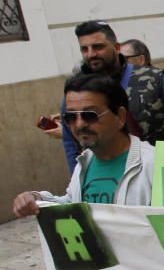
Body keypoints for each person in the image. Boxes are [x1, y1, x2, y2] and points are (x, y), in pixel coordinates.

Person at [13, 73, 154, 216]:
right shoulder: (85, 162)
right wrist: (36, 199)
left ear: (120, 116)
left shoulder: (155, 164)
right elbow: (73, 205)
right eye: (71, 117)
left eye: (90, 115)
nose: (80, 124)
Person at [62, 21, 164, 170]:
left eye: (98, 47)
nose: (91, 54)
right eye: (84, 49)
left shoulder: (153, 79)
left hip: (161, 173)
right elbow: (71, 145)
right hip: (106, 178)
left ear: (116, 48)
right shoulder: (76, 91)